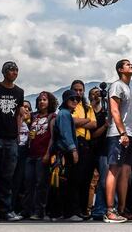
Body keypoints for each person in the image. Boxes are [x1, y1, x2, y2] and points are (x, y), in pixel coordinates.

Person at [0, 61, 25, 222]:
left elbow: (18, 115)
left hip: (11, 138)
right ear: (4, 72)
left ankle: (5, 210)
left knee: (8, 176)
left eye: (16, 70)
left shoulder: (19, 92)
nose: (14, 72)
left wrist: (18, 134)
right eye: (11, 70)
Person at [104, 59, 132, 223]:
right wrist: (122, 132)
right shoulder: (117, 86)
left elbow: (130, 116)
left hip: (129, 135)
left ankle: (122, 210)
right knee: (114, 170)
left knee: (125, 173)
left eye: (131, 64)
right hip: (118, 134)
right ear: (120, 69)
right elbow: (114, 110)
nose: (131, 66)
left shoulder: (128, 89)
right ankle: (109, 211)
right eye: (128, 64)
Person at [24, 91, 57, 221]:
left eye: (44, 99)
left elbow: (53, 138)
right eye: (39, 100)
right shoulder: (34, 116)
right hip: (30, 154)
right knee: (28, 183)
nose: (41, 102)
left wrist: (48, 153)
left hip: (43, 155)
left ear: (50, 102)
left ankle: (39, 211)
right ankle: (27, 210)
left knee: (41, 184)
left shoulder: (52, 117)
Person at [50, 89, 81, 221]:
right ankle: (66, 213)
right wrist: (73, 150)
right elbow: (65, 134)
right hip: (64, 154)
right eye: (72, 99)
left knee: (62, 184)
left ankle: (58, 213)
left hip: (62, 153)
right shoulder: (63, 114)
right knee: (65, 184)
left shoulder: (65, 113)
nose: (75, 101)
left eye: (77, 99)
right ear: (65, 100)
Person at [69, 80, 97, 219]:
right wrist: (85, 121)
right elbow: (72, 122)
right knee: (75, 178)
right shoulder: (71, 105)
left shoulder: (88, 107)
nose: (78, 93)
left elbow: (94, 124)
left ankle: (83, 210)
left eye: (81, 90)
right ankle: (73, 210)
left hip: (87, 144)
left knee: (86, 179)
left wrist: (81, 121)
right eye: (76, 90)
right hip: (75, 143)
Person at [87, 86, 110, 221]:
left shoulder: (105, 112)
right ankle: (87, 208)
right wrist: (105, 126)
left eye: (98, 93)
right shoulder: (87, 112)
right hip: (89, 149)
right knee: (89, 182)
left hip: (103, 150)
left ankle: (99, 209)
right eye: (93, 94)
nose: (96, 96)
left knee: (103, 181)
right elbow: (92, 134)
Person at [12, 100, 31, 216]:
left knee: (19, 181)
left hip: (25, 152)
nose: (26, 109)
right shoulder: (14, 121)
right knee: (11, 180)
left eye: (28, 108)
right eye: (24, 107)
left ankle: (15, 207)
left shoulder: (30, 123)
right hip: (15, 149)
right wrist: (20, 119)